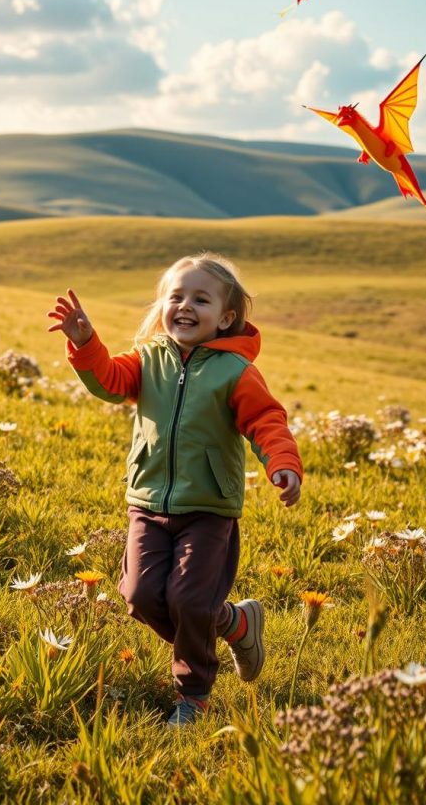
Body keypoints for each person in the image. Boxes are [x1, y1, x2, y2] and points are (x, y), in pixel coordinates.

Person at [48, 252, 303, 726]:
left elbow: (266, 420)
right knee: (139, 596)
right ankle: (232, 622)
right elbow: (109, 380)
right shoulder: (148, 359)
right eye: (176, 296)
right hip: (147, 503)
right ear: (161, 304)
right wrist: (85, 343)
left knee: (189, 601)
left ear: (225, 317)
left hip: (208, 510)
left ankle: (193, 696)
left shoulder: (235, 373)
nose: (185, 306)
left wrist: (283, 464)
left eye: (200, 300)